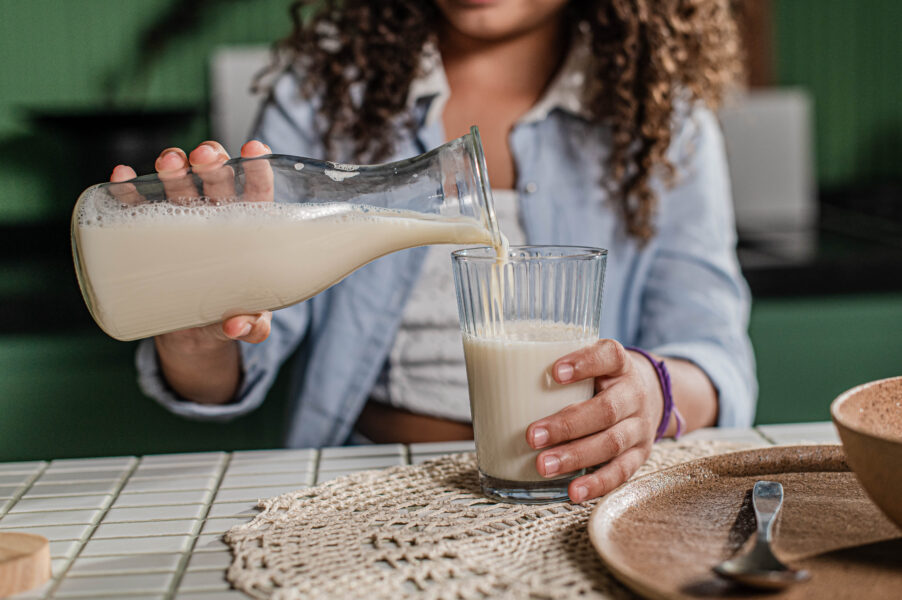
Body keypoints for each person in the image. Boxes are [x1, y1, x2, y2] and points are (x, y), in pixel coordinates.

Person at [113, 0, 756, 503]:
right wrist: (200, 334)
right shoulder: (329, 93)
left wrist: (653, 392)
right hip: (359, 480)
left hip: (573, 485)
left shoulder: (663, 123)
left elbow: (715, 359)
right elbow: (250, 349)